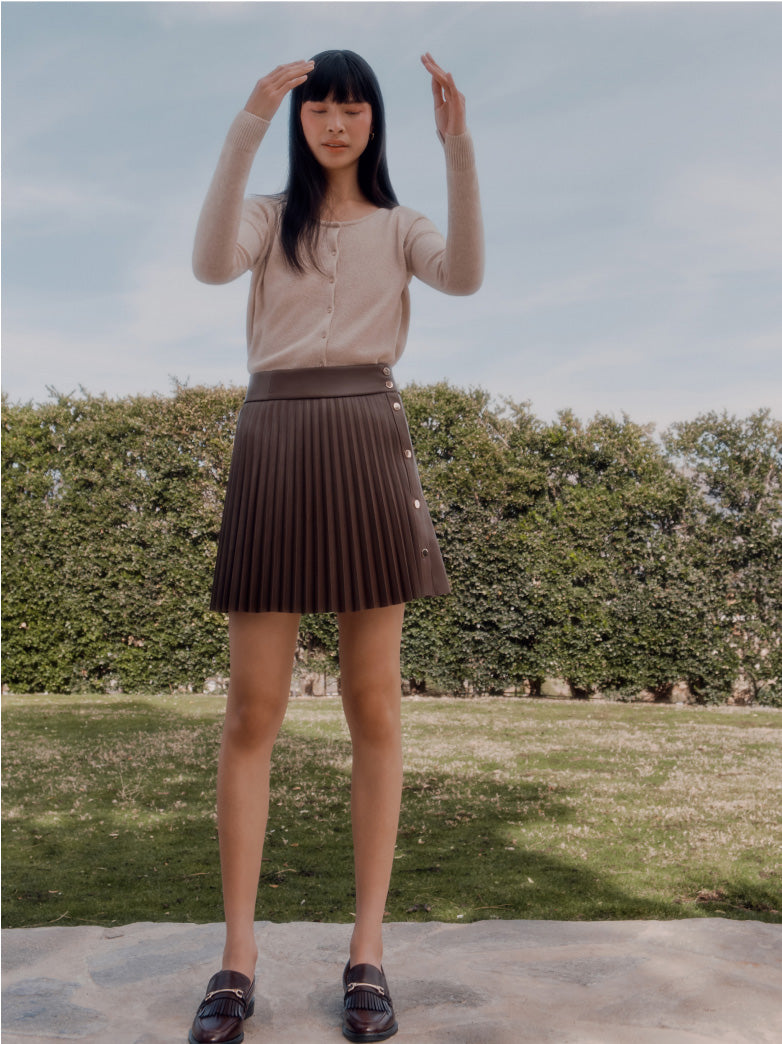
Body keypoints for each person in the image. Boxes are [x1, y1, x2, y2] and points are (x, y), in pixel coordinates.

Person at [189, 49, 483, 1044]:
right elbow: (205, 261)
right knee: (251, 710)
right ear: (300, 117)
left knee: (373, 703)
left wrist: (459, 153)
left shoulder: (403, 227)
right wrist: (243, 118)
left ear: (374, 122)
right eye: (321, 105)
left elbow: (467, 277)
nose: (337, 120)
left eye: (354, 106)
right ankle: (237, 957)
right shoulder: (270, 220)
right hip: (272, 437)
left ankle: (368, 952)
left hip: (366, 438)